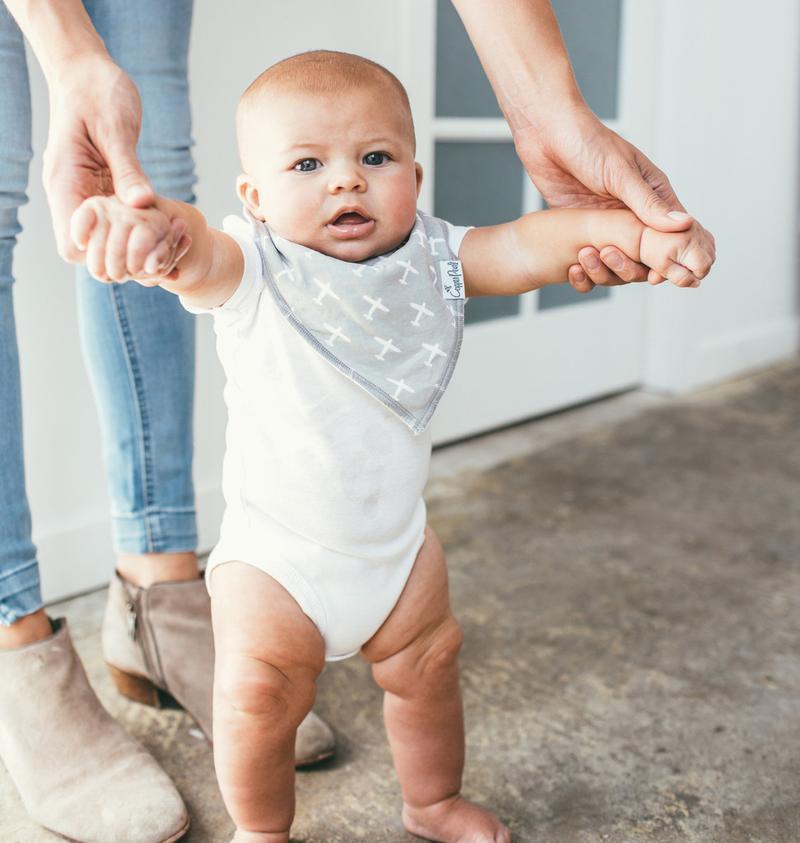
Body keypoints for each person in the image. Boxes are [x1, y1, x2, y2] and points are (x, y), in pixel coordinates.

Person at [0, 2, 713, 841]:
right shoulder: (253, 267)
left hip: (397, 553)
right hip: (276, 566)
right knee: (257, 700)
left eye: (375, 157)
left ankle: (431, 800)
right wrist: (151, 231)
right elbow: (193, 247)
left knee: (430, 665)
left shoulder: (436, 261)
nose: (346, 179)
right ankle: (262, 831)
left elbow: (528, 246)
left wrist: (633, 231)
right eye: (307, 163)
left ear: (416, 174)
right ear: (255, 197)